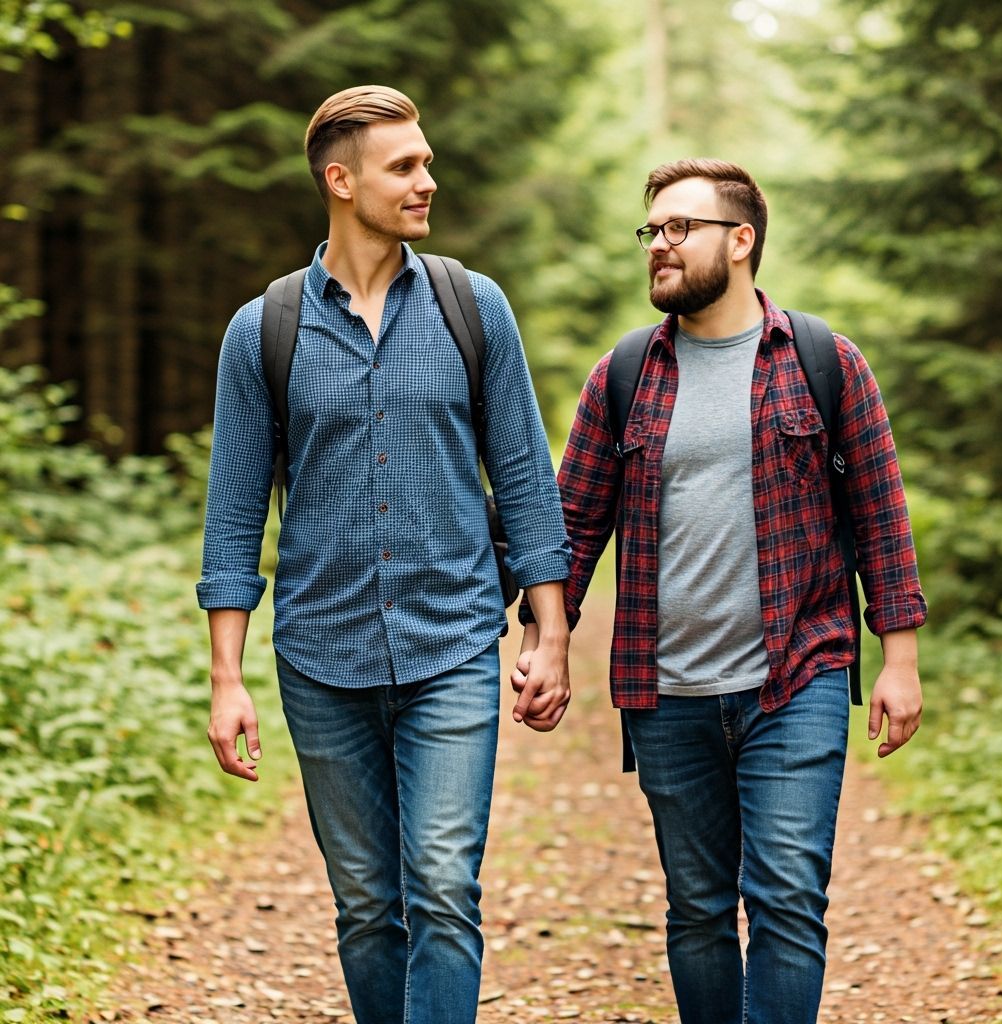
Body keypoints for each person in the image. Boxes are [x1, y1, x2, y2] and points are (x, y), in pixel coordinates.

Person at [514, 158, 927, 1024]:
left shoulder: (823, 361)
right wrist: (546, 641)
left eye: (679, 228)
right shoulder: (623, 374)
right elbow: (571, 526)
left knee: (785, 901)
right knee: (698, 911)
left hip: (799, 676)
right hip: (666, 694)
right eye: (651, 231)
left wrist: (901, 660)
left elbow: (881, 515)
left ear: (741, 241)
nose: (658, 246)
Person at [197, 85, 572, 1024]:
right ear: (340, 179)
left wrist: (551, 633)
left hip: (452, 645)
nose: (425, 181)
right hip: (321, 658)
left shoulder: (471, 307)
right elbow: (235, 512)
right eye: (404, 165)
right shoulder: (264, 329)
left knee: (443, 887)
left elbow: (525, 478)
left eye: (427, 162)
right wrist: (225, 678)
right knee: (367, 907)